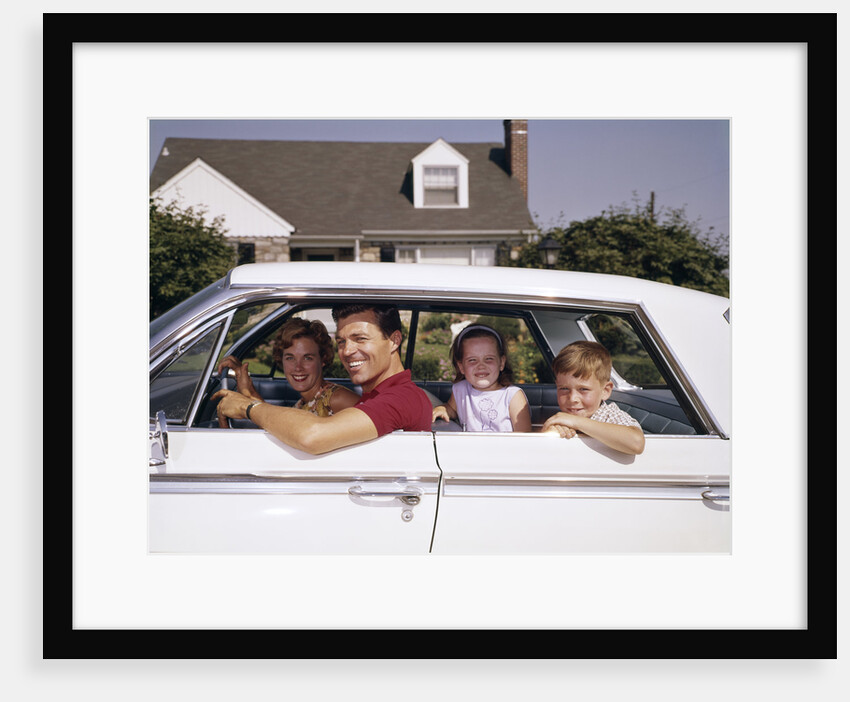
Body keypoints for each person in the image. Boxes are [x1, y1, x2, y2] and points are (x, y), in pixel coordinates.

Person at [213, 303, 433, 454]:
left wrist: (248, 407)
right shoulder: (379, 396)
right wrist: (248, 392)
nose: (347, 351)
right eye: (341, 342)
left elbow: (312, 435)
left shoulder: (400, 399)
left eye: (360, 338)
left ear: (394, 341)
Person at [216, 317, 360, 427]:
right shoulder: (302, 404)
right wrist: (247, 388)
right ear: (281, 359)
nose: (298, 367)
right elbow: (274, 425)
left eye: (307, 358)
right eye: (290, 358)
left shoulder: (337, 399)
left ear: (323, 359)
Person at [541, 340, 645, 455]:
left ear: (605, 391)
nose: (572, 399)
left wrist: (576, 422)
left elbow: (636, 442)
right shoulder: (564, 420)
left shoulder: (609, 416)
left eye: (583, 389)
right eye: (564, 388)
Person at [431, 324, 531, 432]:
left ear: (501, 363)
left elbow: (524, 438)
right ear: (461, 367)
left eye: (488, 358)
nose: (481, 365)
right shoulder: (461, 390)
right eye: (472, 360)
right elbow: (452, 409)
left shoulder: (512, 396)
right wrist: (443, 409)